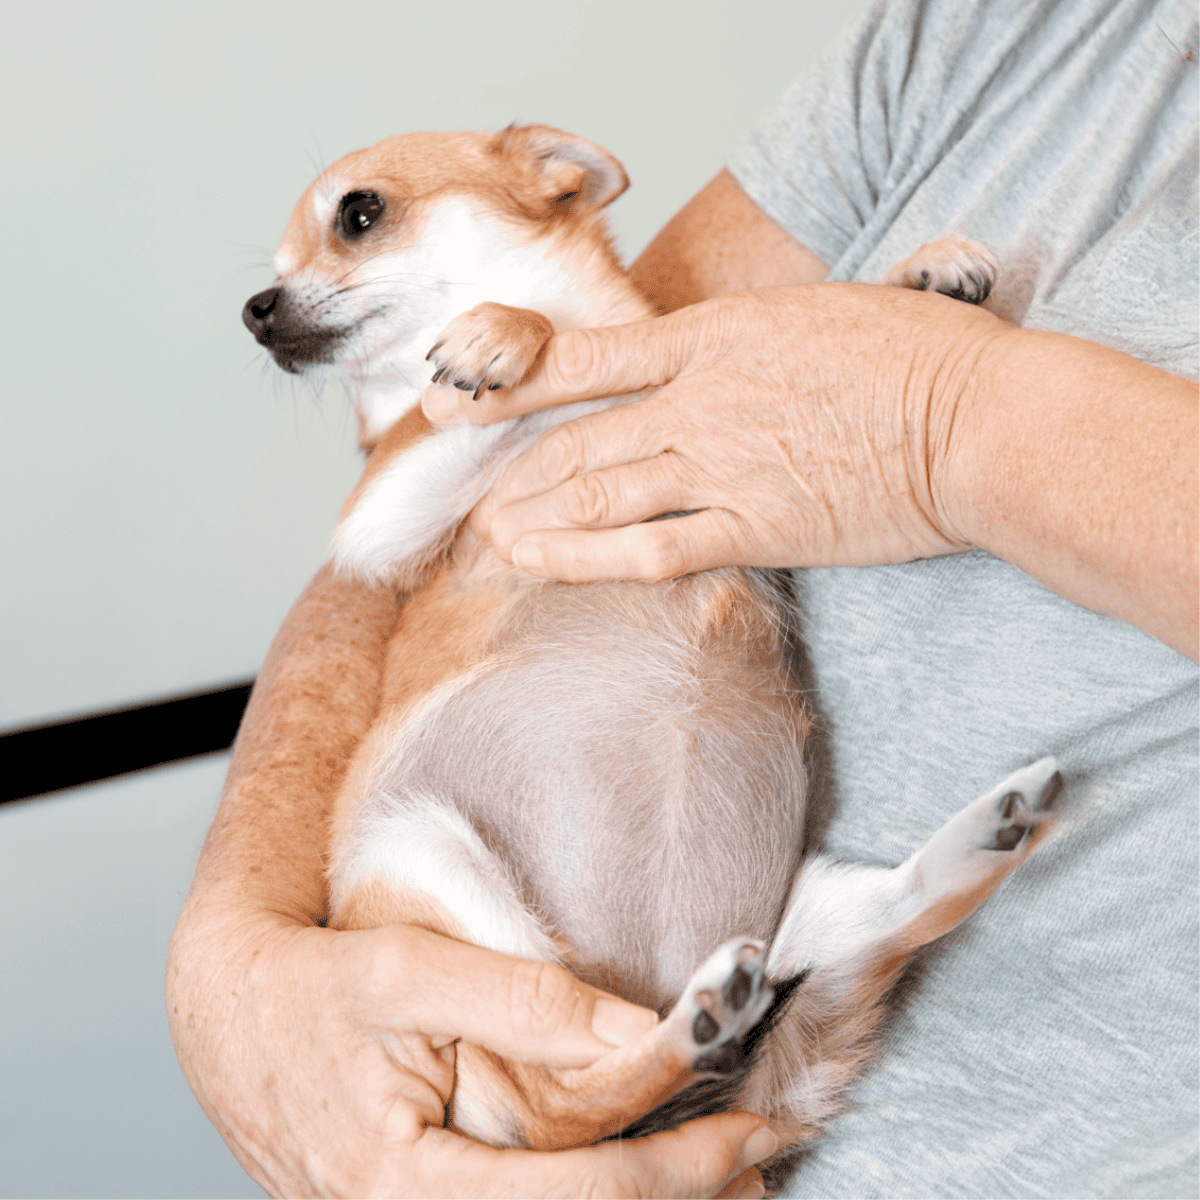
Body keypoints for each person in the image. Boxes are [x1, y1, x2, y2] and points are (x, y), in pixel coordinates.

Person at [167, 0, 1199, 1195]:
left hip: (980, 1118)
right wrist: (235, 954)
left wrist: (948, 416)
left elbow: (814, 395)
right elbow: (707, 376)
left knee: (832, 927)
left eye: (361, 223)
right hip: (612, 998)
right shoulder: (990, 30)